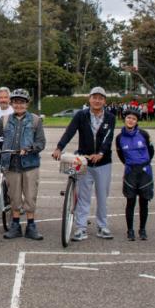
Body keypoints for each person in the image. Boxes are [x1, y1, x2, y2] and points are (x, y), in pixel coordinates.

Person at [0, 88, 45, 240]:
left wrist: (30, 148)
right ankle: (15, 226)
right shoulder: (4, 120)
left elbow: (41, 142)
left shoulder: (36, 120)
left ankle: (31, 226)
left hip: (30, 165)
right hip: (11, 165)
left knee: (30, 197)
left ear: (27, 104)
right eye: (16, 102)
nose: (19, 105)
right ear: (12, 103)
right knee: (14, 197)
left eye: (22, 102)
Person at [52, 86, 117, 240]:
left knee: (102, 196)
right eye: (94, 97)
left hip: (103, 162)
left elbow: (108, 138)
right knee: (83, 196)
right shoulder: (81, 115)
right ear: (89, 99)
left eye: (100, 98)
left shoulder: (110, 117)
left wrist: (101, 153)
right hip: (84, 161)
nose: (97, 100)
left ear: (104, 101)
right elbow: (70, 131)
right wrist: (59, 147)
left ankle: (102, 226)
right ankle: (81, 228)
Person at [116, 107, 154, 240]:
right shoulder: (119, 137)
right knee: (130, 202)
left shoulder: (144, 134)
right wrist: (130, 164)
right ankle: (130, 231)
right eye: (128, 118)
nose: (130, 120)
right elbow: (120, 154)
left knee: (144, 202)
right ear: (124, 119)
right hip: (130, 172)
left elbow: (151, 151)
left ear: (137, 121)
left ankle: (142, 230)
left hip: (145, 172)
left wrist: (143, 163)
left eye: (133, 119)